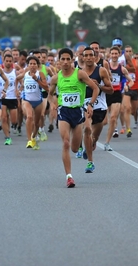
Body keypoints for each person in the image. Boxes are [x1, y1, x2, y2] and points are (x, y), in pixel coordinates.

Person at [48, 48, 99, 188]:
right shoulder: (56, 78)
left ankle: (83, 145)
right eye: (62, 59)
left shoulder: (80, 74)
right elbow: (50, 94)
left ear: (72, 60)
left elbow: (95, 88)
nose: (65, 62)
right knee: (65, 143)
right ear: (59, 61)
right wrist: (53, 103)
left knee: (75, 149)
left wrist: (90, 104)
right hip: (64, 112)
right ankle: (69, 177)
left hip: (78, 113)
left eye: (67, 59)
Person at [104, 46, 134, 151]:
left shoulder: (122, 68)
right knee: (103, 121)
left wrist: (127, 86)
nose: (114, 55)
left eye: (116, 53)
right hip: (105, 93)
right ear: (110, 55)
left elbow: (131, 81)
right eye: (112, 53)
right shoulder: (105, 67)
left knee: (113, 118)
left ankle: (107, 143)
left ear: (119, 54)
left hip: (116, 93)